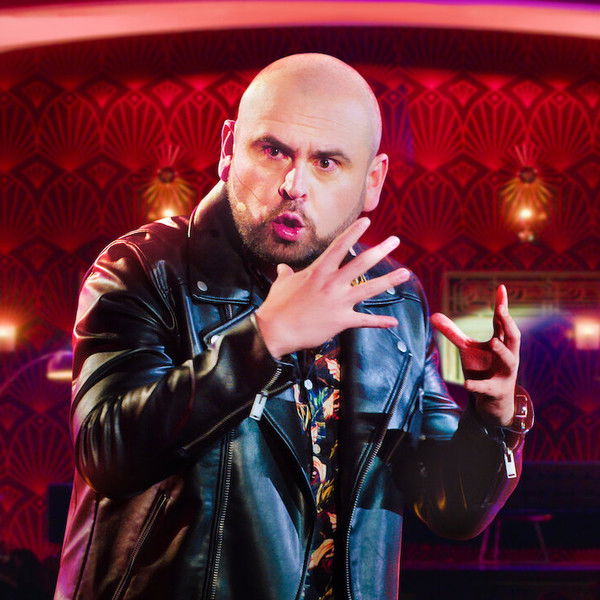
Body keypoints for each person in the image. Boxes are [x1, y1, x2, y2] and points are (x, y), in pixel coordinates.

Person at [54, 53, 533, 600]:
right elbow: (107, 454)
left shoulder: (394, 301)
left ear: (372, 181)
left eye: (327, 162)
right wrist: (263, 340)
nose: (294, 184)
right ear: (228, 148)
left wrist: (494, 418)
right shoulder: (144, 269)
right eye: (273, 150)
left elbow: (451, 507)